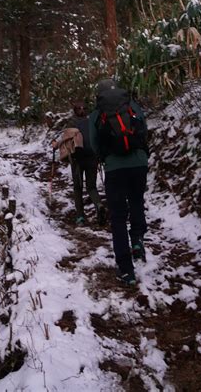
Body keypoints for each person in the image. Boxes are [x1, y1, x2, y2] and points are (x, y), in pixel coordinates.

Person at [88, 79, 149, 286]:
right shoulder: (132, 106)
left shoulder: (97, 113)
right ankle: (138, 241)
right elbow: (144, 131)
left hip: (114, 168)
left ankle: (126, 270)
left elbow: (94, 143)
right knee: (137, 201)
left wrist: (104, 157)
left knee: (118, 217)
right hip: (139, 164)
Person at [52, 102, 106, 227]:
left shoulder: (72, 123)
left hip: (77, 160)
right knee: (91, 187)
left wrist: (56, 145)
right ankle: (98, 204)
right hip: (92, 158)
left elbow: (65, 140)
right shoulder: (92, 122)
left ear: (74, 110)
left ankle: (80, 217)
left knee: (77, 188)